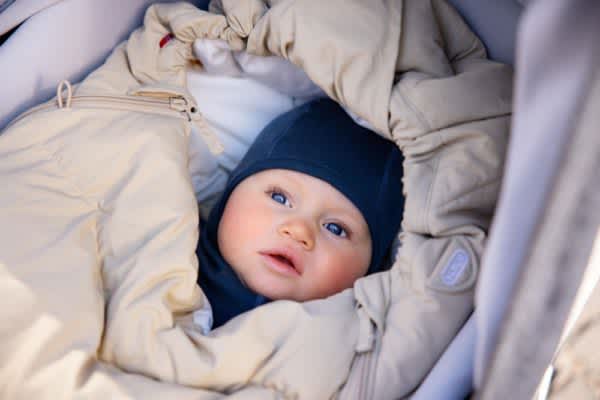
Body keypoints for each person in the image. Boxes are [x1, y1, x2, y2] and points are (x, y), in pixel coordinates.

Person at [196, 98, 404, 329]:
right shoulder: (172, 242)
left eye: (335, 228)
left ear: (370, 270)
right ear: (229, 196)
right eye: (279, 198)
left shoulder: (358, 336)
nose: (299, 230)